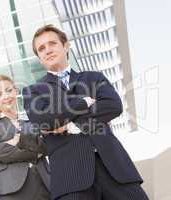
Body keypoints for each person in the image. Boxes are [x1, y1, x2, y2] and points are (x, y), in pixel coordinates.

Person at [22, 24, 149, 200]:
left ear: (66, 46)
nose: (47, 50)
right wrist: (84, 102)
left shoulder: (93, 78)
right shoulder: (33, 91)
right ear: (39, 57)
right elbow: (44, 120)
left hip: (114, 170)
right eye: (41, 48)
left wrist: (71, 124)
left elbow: (113, 106)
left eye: (52, 43)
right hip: (70, 179)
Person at [0, 75, 51, 200]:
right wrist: (33, 153)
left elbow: (46, 147)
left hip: (43, 183)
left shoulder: (32, 118)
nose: (5, 97)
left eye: (8, 90)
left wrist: (15, 142)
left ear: (16, 91)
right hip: (9, 189)